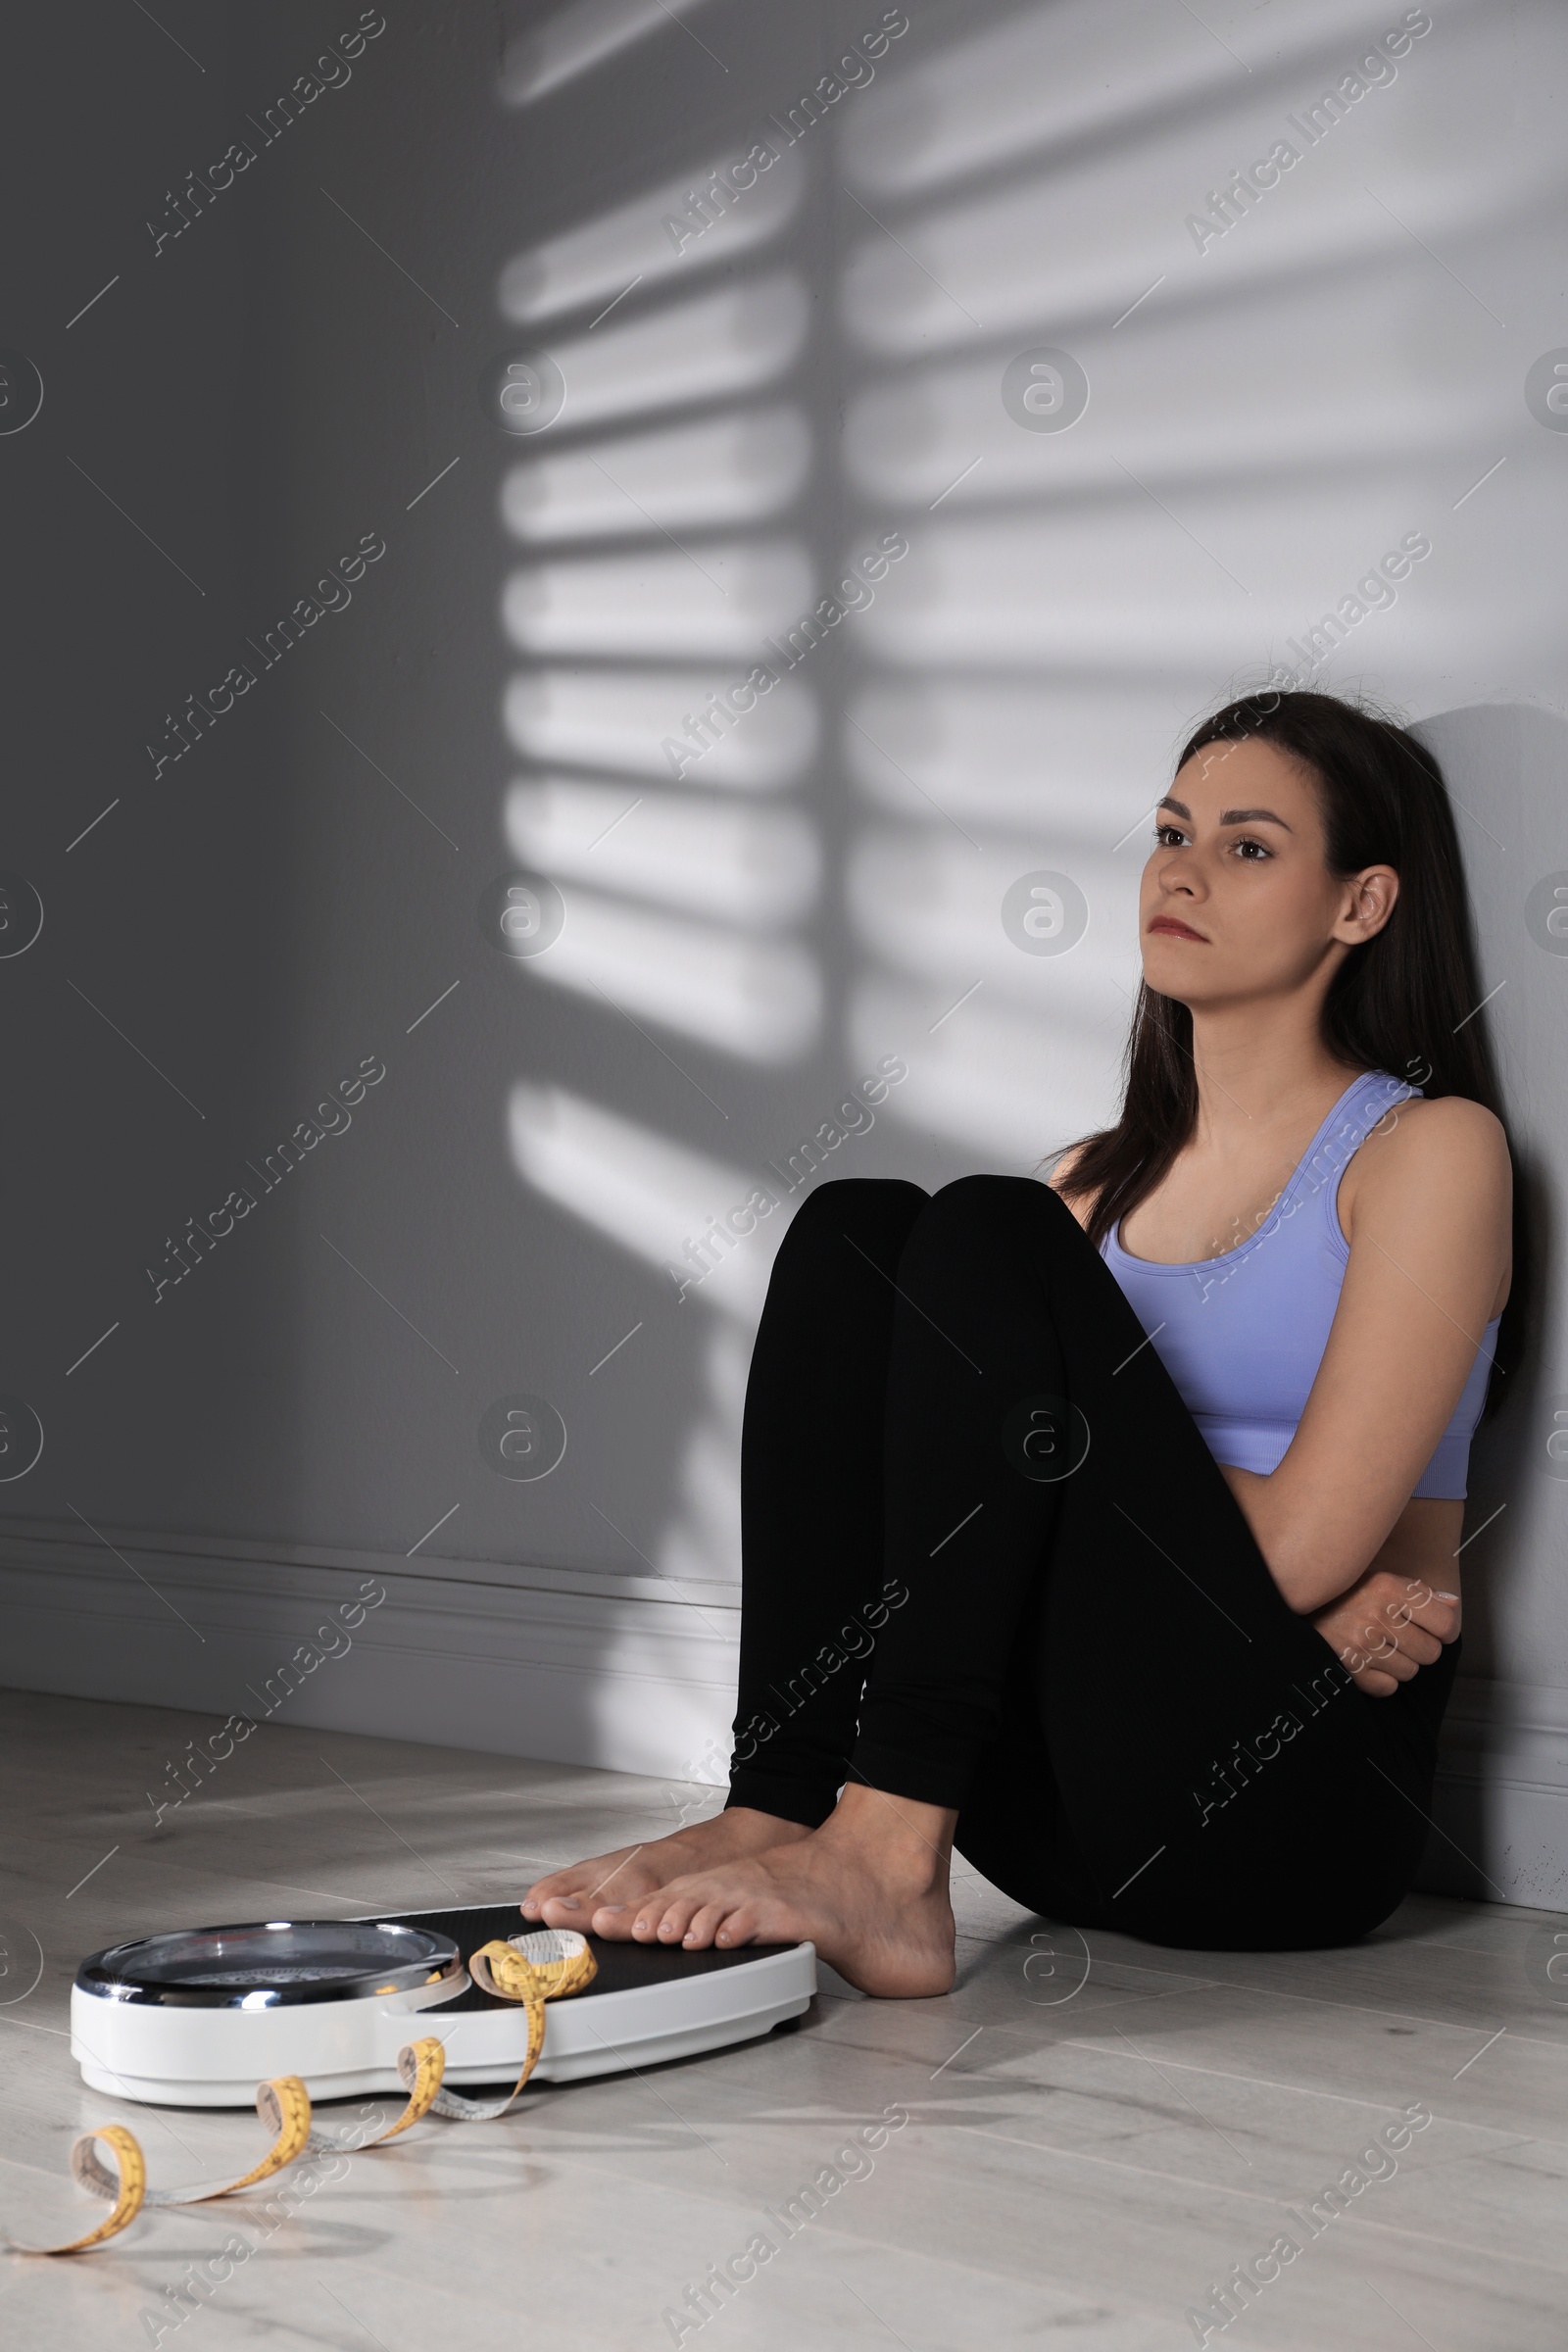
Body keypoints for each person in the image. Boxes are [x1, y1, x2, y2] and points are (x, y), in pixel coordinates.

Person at [522, 690, 1516, 1995]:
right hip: (1050, 1822)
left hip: (1289, 1815)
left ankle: (883, 1861)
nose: (1181, 869)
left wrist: (1055, 1489)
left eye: (1249, 846)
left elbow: (1309, 1549)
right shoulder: (1087, 1191)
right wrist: (1052, 1495)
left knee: (978, 1231)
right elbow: (939, 1531)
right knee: (861, 1230)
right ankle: (781, 1806)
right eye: (1172, 832)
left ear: (1362, 904)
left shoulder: (1427, 1153)